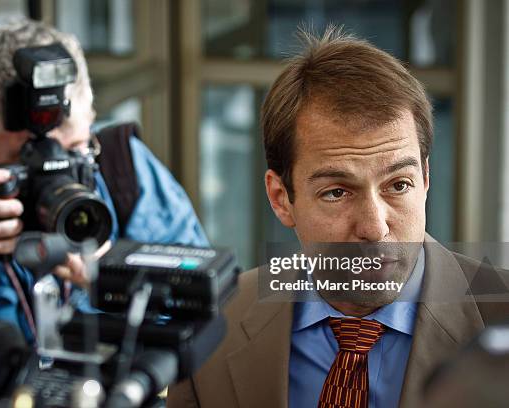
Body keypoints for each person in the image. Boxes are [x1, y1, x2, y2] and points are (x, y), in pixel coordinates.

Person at [167, 27, 509, 408]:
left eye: (398, 185)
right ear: (281, 199)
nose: (374, 226)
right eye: (337, 192)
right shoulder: (211, 327)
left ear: (426, 180)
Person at [0, 19, 208, 344]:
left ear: (91, 118)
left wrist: (115, 283)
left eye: (74, 150)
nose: (56, 173)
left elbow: (206, 313)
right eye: (31, 158)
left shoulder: (122, 168)